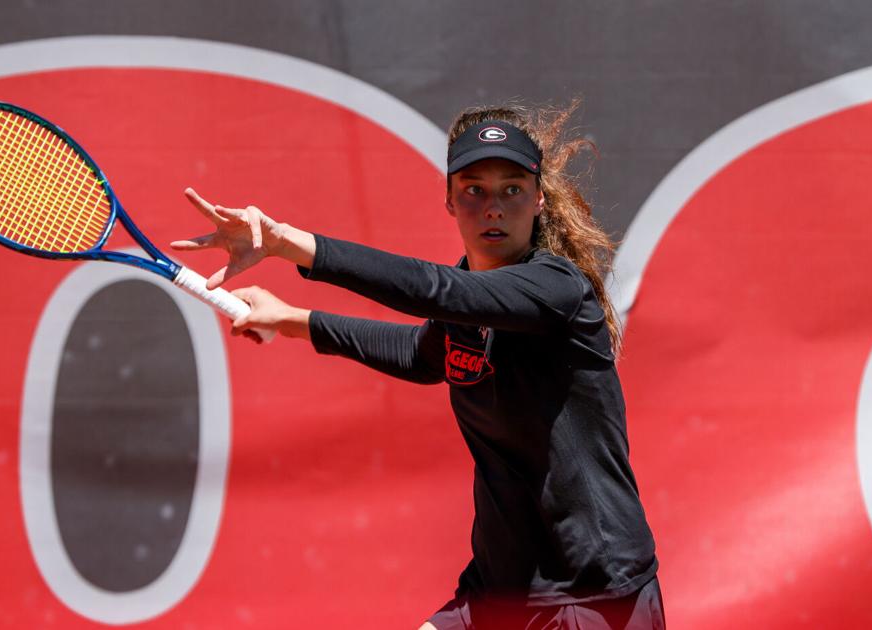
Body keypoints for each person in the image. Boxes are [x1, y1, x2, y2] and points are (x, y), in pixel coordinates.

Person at [171, 103, 664, 630]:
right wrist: (291, 318)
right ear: (450, 201)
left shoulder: (556, 288)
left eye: (512, 189)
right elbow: (419, 354)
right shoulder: (464, 309)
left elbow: (437, 291)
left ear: (539, 200)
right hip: (501, 589)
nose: (493, 206)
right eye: (473, 189)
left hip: (594, 596)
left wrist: (286, 242)